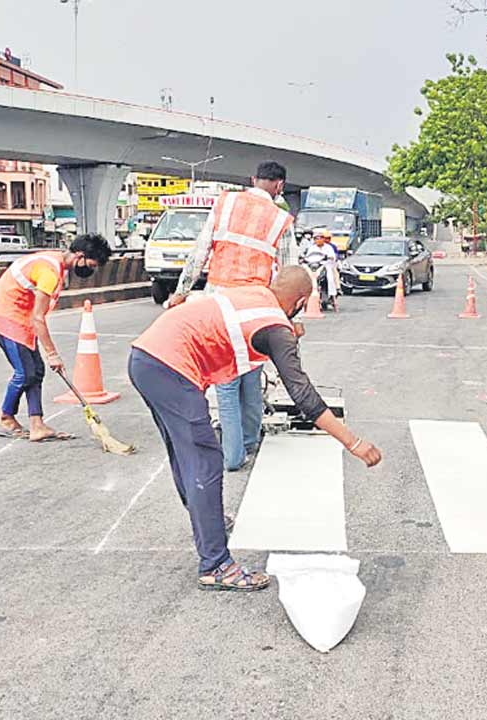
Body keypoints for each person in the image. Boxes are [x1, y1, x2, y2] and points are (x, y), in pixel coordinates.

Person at [128, 267, 382, 592]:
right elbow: (302, 394)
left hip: (146, 357)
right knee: (204, 460)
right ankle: (216, 565)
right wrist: (353, 441)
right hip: (170, 367)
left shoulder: (257, 295)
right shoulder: (276, 328)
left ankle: (209, 523)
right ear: (301, 302)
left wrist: (285, 333)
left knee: (185, 453)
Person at [167, 161, 298, 472]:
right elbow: (291, 271)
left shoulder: (224, 203)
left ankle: (232, 455)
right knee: (250, 374)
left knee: (226, 380)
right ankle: (249, 442)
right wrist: (291, 317)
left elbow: (199, 253)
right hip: (255, 307)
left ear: (253, 180)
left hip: (219, 305)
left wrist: (181, 292)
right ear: (279, 186)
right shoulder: (281, 218)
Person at [0, 233, 113, 442]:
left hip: (20, 320)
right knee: (24, 373)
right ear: (79, 256)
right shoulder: (50, 271)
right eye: (91, 264)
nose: (91, 269)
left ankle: (37, 425)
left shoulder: (52, 260)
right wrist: (53, 354)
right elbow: (38, 317)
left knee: (37, 371)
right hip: (7, 319)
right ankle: (6, 416)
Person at [301, 228, 340, 307]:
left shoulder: (329, 247)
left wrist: (329, 258)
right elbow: (308, 257)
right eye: (316, 238)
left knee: (330, 276)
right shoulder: (312, 248)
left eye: (320, 238)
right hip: (314, 266)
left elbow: (333, 257)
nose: (318, 240)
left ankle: (332, 294)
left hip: (326, 265)